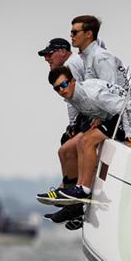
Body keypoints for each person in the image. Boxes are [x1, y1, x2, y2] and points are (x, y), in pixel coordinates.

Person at [37, 66, 131, 221]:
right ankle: (75, 191)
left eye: (64, 84)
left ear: (73, 81)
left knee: (87, 140)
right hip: (117, 117)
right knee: (80, 141)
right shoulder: (73, 96)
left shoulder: (92, 93)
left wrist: (130, 139)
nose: (62, 90)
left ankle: (83, 189)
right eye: (57, 88)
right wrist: (100, 118)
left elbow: (124, 107)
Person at [71, 15, 131, 121]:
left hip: (121, 116)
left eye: (74, 32)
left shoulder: (100, 56)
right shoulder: (88, 57)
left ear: (89, 34)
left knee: (82, 138)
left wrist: (99, 119)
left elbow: (111, 90)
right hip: (110, 113)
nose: (71, 35)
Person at [37, 37, 87, 196]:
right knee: (66, 141)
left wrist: (74, 124)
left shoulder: (70, 65)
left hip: (94, 112)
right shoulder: (71, 64)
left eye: (49, 54)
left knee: (66, 146)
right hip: (88, 112)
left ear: (63, 52)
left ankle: (70, 190)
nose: (46, 58)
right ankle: (67, 187)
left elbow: (75, 96)